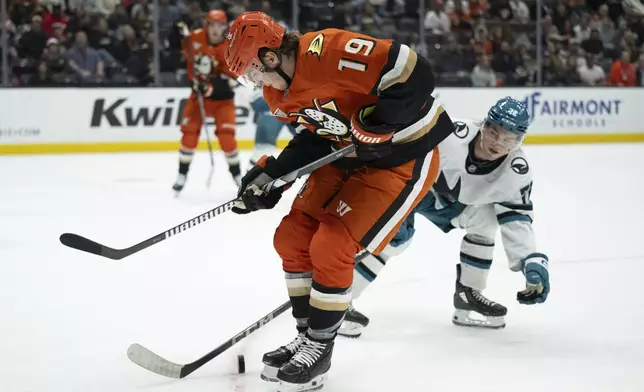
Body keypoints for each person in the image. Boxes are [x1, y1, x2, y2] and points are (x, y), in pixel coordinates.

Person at [225, 11, 454, 392]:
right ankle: (306, 338)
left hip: (402, 157)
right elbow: (319, 135)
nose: (254, 81)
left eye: (252, 71)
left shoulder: (327, 51)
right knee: (291, 239)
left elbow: (415, 72)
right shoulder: (276, 92)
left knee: (331, 244)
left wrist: (380, 120)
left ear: (269, 56)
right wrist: (273, 175)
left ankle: (320, 347)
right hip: (348, 156)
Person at [340, 97, 550, 337]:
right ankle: (339, 297)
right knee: (396, 241)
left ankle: (467, 294)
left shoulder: (516, 171)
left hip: (445, 202)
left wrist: (529, 259)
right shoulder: (450, 134)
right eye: (495, 132)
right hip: (407, 184)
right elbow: (403, 148)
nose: (498, 143)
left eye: (509, 138)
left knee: (487, 221)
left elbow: (517, 218)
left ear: (518, 142)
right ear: (485, 125)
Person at [173, 10, 241, 193]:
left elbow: (234, 81)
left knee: (227, 139)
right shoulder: (193, 38)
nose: (216, 30)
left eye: (220, 26)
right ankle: (182, 174)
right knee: (189, 135)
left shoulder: (231, 48)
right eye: (212, 25)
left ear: (225, 27)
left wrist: (211, 87)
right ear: (207, 25)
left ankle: (237, 176)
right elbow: (174, 48)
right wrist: (176, 27)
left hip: (222, 100)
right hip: (199, 99)